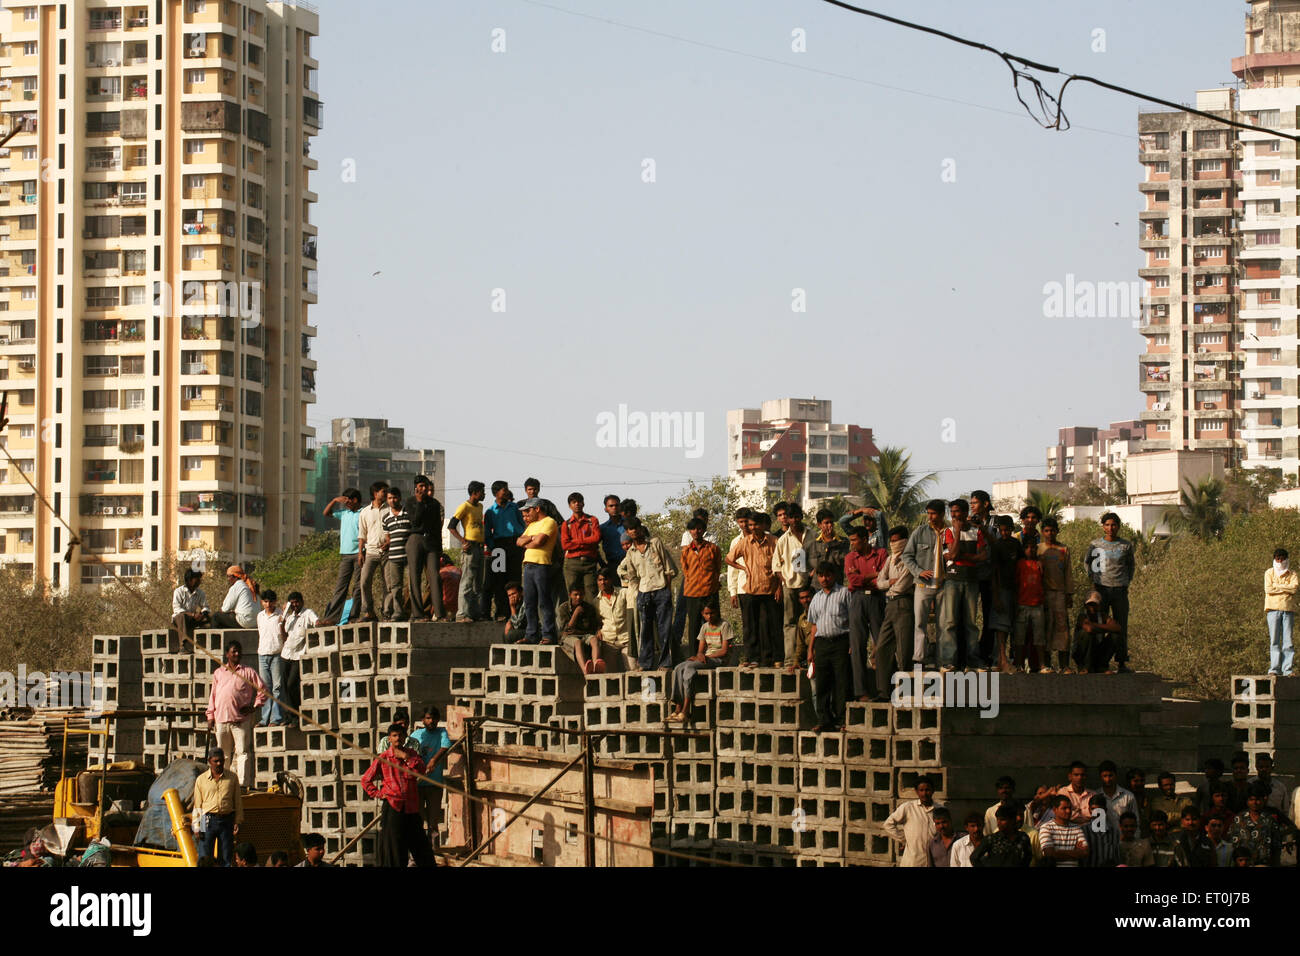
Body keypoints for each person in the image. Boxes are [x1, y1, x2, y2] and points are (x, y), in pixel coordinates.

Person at [361, 723, 435, 868]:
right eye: (394, 735)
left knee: (421, 847)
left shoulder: (412, 755)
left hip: (412, 807)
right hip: (393, 808)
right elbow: (366, 779)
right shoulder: (383, 758)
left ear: (405, 737)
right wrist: (379, 794)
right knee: (394, 849)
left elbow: (422, 770)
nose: (398, 738)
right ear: (389, 739)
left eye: (400, 735)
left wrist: (406, 757)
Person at [205, 640, 266, 788]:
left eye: (239, 651)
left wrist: (254, 706)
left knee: (243, 753)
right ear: (227, 654)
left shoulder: (248, 672)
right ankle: (224, 784)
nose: (237, 654)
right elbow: (213, 696)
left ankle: (243, 785)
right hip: (221, 720)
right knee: (223, 755)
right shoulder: (219, 673)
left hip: (241, 720)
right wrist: (210, 716)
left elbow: (263, 690)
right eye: (234, 651)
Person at [620, 517, 680, 669]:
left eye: (635, 528)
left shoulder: (655, 543)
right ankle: (646, 664)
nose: (633, 531)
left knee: (664, 628)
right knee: (645, 630)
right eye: (630, 529)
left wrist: (667, 589)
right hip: (644, 592)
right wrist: (638, 590)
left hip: (661, 590)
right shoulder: (631, 553)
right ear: (627, 532)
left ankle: (665, 663)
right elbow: (632, 576)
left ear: (640, 528)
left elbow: (669, 569)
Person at [725, 511, 780, 668]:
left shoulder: (773, 541)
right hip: (750, 589)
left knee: (768, 626)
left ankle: (769, 658)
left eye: (755, 524)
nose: (752, 527)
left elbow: (779, 564)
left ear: (763, 525)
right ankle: (752, 657)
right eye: (750, 524)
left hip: (769, 588)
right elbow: (729, 559)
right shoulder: (743, 542)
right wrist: (743, 568)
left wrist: (779, 587)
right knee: (750, 626)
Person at [939, 498, 988, 671]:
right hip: (953, 580)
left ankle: (973, 660)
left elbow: (983, 556)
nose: (954, 515)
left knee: (971, 623)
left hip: (971, 580)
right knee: (950, 622)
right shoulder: (949, 531)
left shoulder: (977, 532)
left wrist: (962, 557)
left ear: (966, 513)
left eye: (957, 511)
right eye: (952, 512)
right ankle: (948, 661)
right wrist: (958, 532)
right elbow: (951, 555)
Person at [1084, 512, 1136, 673]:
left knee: (1121, 626)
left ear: (1118, 526)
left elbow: (1130, 566)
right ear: (1103, 526)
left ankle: (1121, 661)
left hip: (1120, 589)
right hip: (1102, 589)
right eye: (1107, 524)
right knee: (1100, 625)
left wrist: (1126, 582)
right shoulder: (1096, 545)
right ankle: (1099, 662)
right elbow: (1090, 565)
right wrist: (1095, 585)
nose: (1110, 528)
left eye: (1113, 525)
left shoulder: (1125, 546)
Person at [807, 561, 853, 732]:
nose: (824, 579)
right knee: (822, 684)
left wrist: (852, 644)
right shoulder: (816, 598)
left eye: (827, 575)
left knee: (841, 682)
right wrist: (810, 650)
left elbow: (853, 620)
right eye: (821, 576)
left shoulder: (844, 593)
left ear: (833, 575)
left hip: (841, 641)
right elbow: (814, 626)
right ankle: (823, 719)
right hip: (822, 644)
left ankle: (841, 720)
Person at [844, 524, 888, 701]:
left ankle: (883, 689)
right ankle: (861, 691)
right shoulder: (850, 557)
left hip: (877, 598)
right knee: (857, 646)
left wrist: (863, 576)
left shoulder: (881, 553)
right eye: (851, 540)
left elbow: (883, 576)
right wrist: (872, 574)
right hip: (857, 599)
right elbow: (853, 581)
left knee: (881, 644)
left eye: (855, 540)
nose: (853, 543)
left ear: (864, 539)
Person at [901, 499, 948, 668]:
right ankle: (919, 658)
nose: (930, 517)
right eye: (928, 513)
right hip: (922, 585)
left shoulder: (949, 532)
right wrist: (919, 571)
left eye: (934, 513)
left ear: (942, 514)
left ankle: (942, 660)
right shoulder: (920, 532)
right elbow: (906, 555)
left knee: (944, 624)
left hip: (944, 585)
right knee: (920, 623)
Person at [667, 602, 732, 722]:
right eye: (706, 614)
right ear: (703, 614)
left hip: (718, 659)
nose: (709, 616)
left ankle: (686, 710)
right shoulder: (704, 627)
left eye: (712, 613)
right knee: (678, 667)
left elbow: (724, 651)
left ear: (716, 612)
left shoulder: (724, 625)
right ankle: (678, 707)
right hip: (706, 658)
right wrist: (699, 655)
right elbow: (700, 650)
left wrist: (706, 657)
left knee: (689, 668)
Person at [772, 503, 810, 674]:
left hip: (807, 585)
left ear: (801, 517)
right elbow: (776, 566)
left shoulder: (811, 535)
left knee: (809, 622)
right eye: (790, 517)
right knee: (789, 623)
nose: (794, 520)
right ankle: (790, 660)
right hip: (789, 586)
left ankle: (807, 658)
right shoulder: (783, 539)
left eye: (796, 517)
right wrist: (784, 581)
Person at [516, 497, 560, 645]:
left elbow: (539, 542)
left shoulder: (549, 522)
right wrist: (532, 538)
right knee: (529, 602)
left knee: (544, 601)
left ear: (537, 509)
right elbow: (519, 541)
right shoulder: (532, 525)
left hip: (542, 565)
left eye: (528, 510)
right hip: (528, 566)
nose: (527, 514)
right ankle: (531, 635)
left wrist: (529, 540)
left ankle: (548, 634)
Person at [679, 517, 722, 666]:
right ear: (689, 532)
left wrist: (712, 583)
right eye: (693, 529)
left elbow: (717, 568)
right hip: (692, 593)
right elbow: (686, 571)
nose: (696, 532)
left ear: (703, 530)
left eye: (699, 528)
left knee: (714, 623)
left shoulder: (713, 548)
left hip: (710, 591)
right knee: (694, 626)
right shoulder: (686, 551)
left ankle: (716, 655)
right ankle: (694, 655)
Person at [875, 526, 915, 683]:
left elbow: (902, 585)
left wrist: (888, 584)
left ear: (904, 540)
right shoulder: (889, 559)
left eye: (896, 540)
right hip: (889, 604)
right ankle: (883, 689)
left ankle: (905, 688)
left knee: (904, 649)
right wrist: (888, 584)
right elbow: (879, 582)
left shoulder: (910, 558)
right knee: (882, 648)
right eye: (891, 541)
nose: (893, 544)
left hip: (903, 602)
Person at [409, 708, 451, 849]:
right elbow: (408, 752)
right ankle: (420, 851)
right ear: (423, 720)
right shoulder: (416, 734)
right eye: (427, 718)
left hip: (434, 783)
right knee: (418, 819)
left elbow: (445, 746)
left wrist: (433, 760)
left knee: (433, 820)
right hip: (417, 785)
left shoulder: (442, 732)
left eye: (433, 718)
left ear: (438, 719)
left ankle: (434, 850)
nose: (431, 721)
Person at [321, 488, 363, 624]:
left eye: (348, 500)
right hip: (345, 554)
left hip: (359, 553)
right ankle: (332, 617)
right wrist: (334, 500)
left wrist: (362, 552)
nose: (346, 503)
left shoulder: (363, 513)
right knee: (341, 587)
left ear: (355, 499)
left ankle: (354, 616)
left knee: (358, 587)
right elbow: (326, 513)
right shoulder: (344, 513)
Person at [194, 748, 242, 866]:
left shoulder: (232, 778)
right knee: (205, 857)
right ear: (210, 761)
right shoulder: (201, 780)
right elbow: (198, 804)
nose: (219, 763)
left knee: (225, 857)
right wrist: (197, 826)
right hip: (207, 820)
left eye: (221, 761)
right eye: (216, 761)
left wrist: (238, 821)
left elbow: (238, 801)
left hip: (226, 820)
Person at [406, 475, 445, 622]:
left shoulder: (435, 504)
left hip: (432, 541)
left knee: (434, 576)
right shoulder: (410, 502)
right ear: (416, 487)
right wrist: (420, 502)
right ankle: (418, 613)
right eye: (421, 486)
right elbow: (415, 522)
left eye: (426, 486)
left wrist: (439, 548)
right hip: (415, 539)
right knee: (415, 577)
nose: (424, 489)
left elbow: (437, 527)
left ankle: (440, 613)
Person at [484, 481, 525, 621]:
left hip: (515, 545)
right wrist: (493, 546)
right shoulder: (490, 511)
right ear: (496, 492)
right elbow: (487, 532)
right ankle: (501, 612)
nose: (507, 491)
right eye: (504, 489)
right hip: (498, 547)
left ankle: (517, 612)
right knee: (499, 580)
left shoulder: (514, 507)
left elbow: (522, 525)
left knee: (515, 579)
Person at [1038, 518, 1074, 672]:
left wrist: (1069, 594)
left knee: (1062, 628)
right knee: (1045, 627)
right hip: (1043, 594)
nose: (1049, 533)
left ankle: (1064, 665)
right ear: (1042, 532)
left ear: (1057, 531)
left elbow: (1068, 572)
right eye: (1046, 530)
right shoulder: (1039, 549)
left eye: (1052, 530)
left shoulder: (1064, 549)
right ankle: (1046, 664)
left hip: (1060, 593)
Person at [882, 776, 942, 868]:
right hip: (912, 862)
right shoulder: (908, 807)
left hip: (934, 861)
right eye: (921, 790)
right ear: (916, 791)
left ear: (933, 790)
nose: (924, 793)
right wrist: (904, 839)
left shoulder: (940, 809)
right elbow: (888, 824)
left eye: (927, 790)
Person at [448, 481, 487, 622]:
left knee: (478, 583)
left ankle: (474, 612)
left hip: (480, 547)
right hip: (470, 548)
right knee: (467, 581)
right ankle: (462, 614)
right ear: (475, 492)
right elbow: (452, 526)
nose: (484, 494)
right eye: (482, 491)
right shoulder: (464, 506)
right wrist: (462, 541)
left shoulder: (480, 506)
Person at [1013, 521, 1049, 673]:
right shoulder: (1020, 564)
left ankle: (1041, 665)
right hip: (1022, 604)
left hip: (1037, 605)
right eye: (1027, 547)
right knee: (1020, 638)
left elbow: (1044, 582)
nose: (1030, 550)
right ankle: (1019, 665)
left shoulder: (1039, 564)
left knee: (1039, 637)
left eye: (1033, 547)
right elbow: (1015, 583)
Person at [968, 490, 999, 664]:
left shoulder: (996, 522)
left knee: (989, 617)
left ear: (985, 504)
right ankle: (970, 653)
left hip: (989, 575)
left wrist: (982, 528)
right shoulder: (968, 522)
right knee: (969, 616)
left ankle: (986, 653)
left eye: (975, 503)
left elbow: (997, 543)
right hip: (971, 574)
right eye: (971, 503)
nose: (972, 506)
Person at [986, 516, 1020, 672]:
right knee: (1001, 627)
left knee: (1012, 625)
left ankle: (1008, 660)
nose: (1004, 533)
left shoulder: (1016, 544)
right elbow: (994, 572)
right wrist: (996, 595)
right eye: (1002, 530)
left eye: (1007, 530)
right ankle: (1001, 658)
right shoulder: (996, 546)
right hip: (1002, 589)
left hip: (1015, 589)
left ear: (1012, 529)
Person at [278, 591, 317, 725]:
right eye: (292, 603)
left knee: (292, 685)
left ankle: (296, 716)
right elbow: (285, 638)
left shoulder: (308, 614)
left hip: (299, 656)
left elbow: (316, 622)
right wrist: (281, 624)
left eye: (296, 602)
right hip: (286, 654)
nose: (294, 605)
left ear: (301, 602)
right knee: (284, 686)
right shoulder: (289, 618)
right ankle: (289, 716)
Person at [355, 481, 390, 623]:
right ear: (375, 493)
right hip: (370, 551)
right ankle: (369, 611)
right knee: (364, 582)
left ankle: (387, 612)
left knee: (388, 584)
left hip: (388, 552)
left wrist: (390, 542)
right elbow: (362, 535)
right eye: (383, 491)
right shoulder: (365, 512)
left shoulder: (390, 509)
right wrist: (360, 552)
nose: (386, 494)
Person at [1228, 783, 1289, 866]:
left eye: (1257, 799)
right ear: (1247, 801)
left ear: (1263, 800)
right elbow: (1232, 845)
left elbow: (1276, 848)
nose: (1255, 803)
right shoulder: (1239, 819)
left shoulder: (1270, 820)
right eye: (1251, 799)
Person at [560, 492, 602, 606]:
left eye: (579, 501)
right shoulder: (566, 524)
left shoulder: (592, 520)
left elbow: (596, 538)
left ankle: (591, 622)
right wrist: (586, 541)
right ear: (569, 505)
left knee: (591, 593)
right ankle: (572, 621)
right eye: (574, 502)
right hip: (571, 564)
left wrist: (576, 542)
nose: (577, 504)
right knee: (573, 594)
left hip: (589, 562)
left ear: (583, 503)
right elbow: (565, 545)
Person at [380, 486, 414, 621]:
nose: (392, 500)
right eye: (389, 498)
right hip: (393, 556)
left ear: (399, 498)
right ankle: (398, 612)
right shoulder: (386, 518)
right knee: (395, 587)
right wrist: (386, 545)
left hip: (409, 555)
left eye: (394, 497)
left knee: (413, 586)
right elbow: (388, 537)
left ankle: (414, 612)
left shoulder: (408, 513)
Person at [1264, 547, 1297, 677]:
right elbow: (1268, 589)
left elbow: (1294, 588)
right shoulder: (1269, 573)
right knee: (1274, 640)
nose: (1280, 561)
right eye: (1278, 559)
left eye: (1282, 559)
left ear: (1286, 559)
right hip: (1272, 609)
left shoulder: (1292, 574)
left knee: (1288, 641)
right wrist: (1285, 589)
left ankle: (1287, 669)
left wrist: (1277, 586)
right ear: (1274, 559)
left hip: (1287, 609)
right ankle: (1274, 668)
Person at [255, 589, 285, 726]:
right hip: (262, 654)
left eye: (270, 601)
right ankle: (264, 718)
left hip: (276, 654)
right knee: (265, 688)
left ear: (275, 602)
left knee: (277, 688)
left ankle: (276, 718)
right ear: (262, 602)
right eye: (265, 601)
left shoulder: (280, 615)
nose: (268, 604)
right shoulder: (260, 616)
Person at [1072, 591, 1121, 675]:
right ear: (1085, 605)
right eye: (1090, 604)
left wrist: (1095, 625)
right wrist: (1105, 627)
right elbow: (1089, 629)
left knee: (1115, 636)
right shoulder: (1082, 616)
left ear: (1099, 606)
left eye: (1095, 604)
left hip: (1097, 650)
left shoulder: (1102, 616)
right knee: (1087, 634)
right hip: (1082, 653)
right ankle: (1085, 667)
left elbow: (1117, 628)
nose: (1092, 607)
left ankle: (1101, 666)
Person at [558, 585, 604, 673]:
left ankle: (595, 665)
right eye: (576, 595)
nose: (578, 597)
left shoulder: (589, 608)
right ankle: (585, 670)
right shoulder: (563, 608)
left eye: (581, 595)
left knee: (594, 640)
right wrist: (575, 614)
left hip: (584, 634)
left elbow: (592, 627)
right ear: (570, 595)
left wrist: (597, 630)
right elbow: (567, 629)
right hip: (568, 637)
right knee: (577, 643)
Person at [1037, 794, 1088, 867]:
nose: (1068, 811)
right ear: (1055, 810)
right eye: (1064, 808)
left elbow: (1085, 852)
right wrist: (1076, 852)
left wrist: (1058, 852)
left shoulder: (1076, 828)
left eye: (1070, 808)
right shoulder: (1046, 827)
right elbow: (1049, 854)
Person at [594, 567, 632, 662]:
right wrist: (598, 630)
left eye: (605, 579)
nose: (603, 582)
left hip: (626, 639)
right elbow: (597, 621)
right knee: (609, 674)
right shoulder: (596, 601)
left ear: (611, 580)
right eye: (600, 580)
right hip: (608, 641)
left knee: (633, 669)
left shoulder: (624, 593)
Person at [805, 509, 849, 585]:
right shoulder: (812, 544)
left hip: (836, 585)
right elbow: (801, 562)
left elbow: (842, 562)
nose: (830, 525)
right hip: (817, 586)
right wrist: (810, 573)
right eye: (826, 523)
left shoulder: (843, 542)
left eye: (831, 522)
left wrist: (832, 542)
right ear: (819, 525)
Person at [1095, 759, 1138, 832]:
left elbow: (1136, 820)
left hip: (1124, 838)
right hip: (1104, 839)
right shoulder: (1096, 796)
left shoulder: (1128, 796)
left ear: (1116, 775)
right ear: (1100, 777)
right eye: (1104, 776)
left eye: (1110, 775)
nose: (1108, 779)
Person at [171, 569, 210, 639]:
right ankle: (183, 644)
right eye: (197, 579)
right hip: (179, 619)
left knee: (210, 619)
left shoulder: (200, 593)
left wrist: (202, 614)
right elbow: (177, 609)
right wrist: (192, 615)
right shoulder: (179, 591)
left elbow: (205, 606)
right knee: (182, 617)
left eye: (199, 579)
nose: (199, 581)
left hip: (193, 619)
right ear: (190, 580)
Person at [1084, 793, 1119, 867]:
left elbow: (1117, 858)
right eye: (1093, 809)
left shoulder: (1114, 833)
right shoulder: (1083, 832)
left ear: (1105, 811)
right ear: (1089, 810)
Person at [1059, 761, 1095, 825]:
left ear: (1086, 776)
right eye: (1076, 775)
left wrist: (1075, 814)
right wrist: (1087, 816)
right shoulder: (1063, 792)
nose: (1079, 778)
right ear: (1070, 776)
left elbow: (1096, 816)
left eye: (1082, 775)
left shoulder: (1093, 795)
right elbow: (1063, 815)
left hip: (1089, 831)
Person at [438, 553, 461, 618]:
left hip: (446, 608)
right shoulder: (459, 570)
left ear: (441, 561)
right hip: (459, 608)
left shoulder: (441, 572)